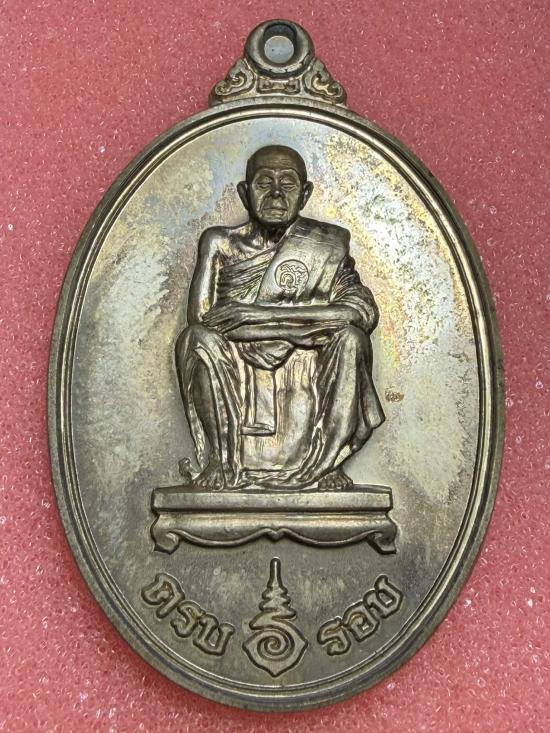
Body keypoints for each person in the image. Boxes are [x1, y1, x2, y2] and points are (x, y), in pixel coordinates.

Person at [176, 145, 384, 490]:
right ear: (245, 193)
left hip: (305, 362)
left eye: (287, 184)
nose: (275, 194)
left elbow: (360, 311)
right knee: (197, 341)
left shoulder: (325, 245)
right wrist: (301, 329)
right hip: (236, 356)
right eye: (264, 183)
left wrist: (260, 316)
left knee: (351, 340)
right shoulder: (221, 243)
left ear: (305, 194)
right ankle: (222, 463)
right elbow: (202, 317)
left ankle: (325, 465)